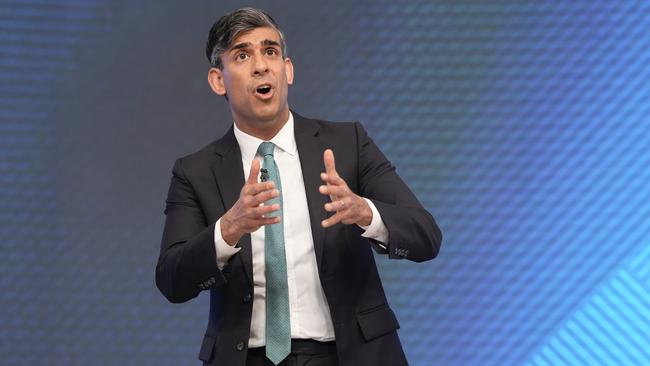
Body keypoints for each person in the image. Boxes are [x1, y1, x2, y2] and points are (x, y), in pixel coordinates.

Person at [155, 7, 442, 366]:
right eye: (242, 55)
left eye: (270, 51)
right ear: (218, 80)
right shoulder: (195, 172)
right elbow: (172, 280)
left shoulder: (347, 143)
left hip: (349, 354)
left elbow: (426, 237)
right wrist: (228, 229)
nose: (261, 66)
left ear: (287, 71)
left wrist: (365, 212)